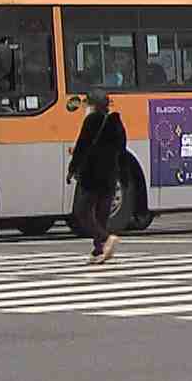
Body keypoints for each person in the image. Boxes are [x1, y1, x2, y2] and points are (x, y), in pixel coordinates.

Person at [68, 90, 127, 265]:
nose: (86, 107)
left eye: (88, 104)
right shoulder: (116, 122)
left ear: (93, 105)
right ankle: (98, 250)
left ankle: (106, 238)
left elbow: (82, 146)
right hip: (110, 175)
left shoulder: (91, 120)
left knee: (82, 211)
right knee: (101, 214)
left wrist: (72, 169)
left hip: (92, 175)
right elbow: (121, 149)